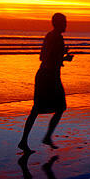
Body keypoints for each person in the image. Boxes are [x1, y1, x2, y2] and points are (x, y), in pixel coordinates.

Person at [18, 13, 73, 153]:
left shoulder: (49, 36)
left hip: (45, 75)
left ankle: (27, 140)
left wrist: (62, 57)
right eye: (64, 22)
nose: (66, 25)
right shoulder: (58, 38)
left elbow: (43, 57)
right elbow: (48, 59)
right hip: (49, 77)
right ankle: (39, 138)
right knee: (57, 107)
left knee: (39, 109)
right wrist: (63, 58)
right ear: (59, 23)